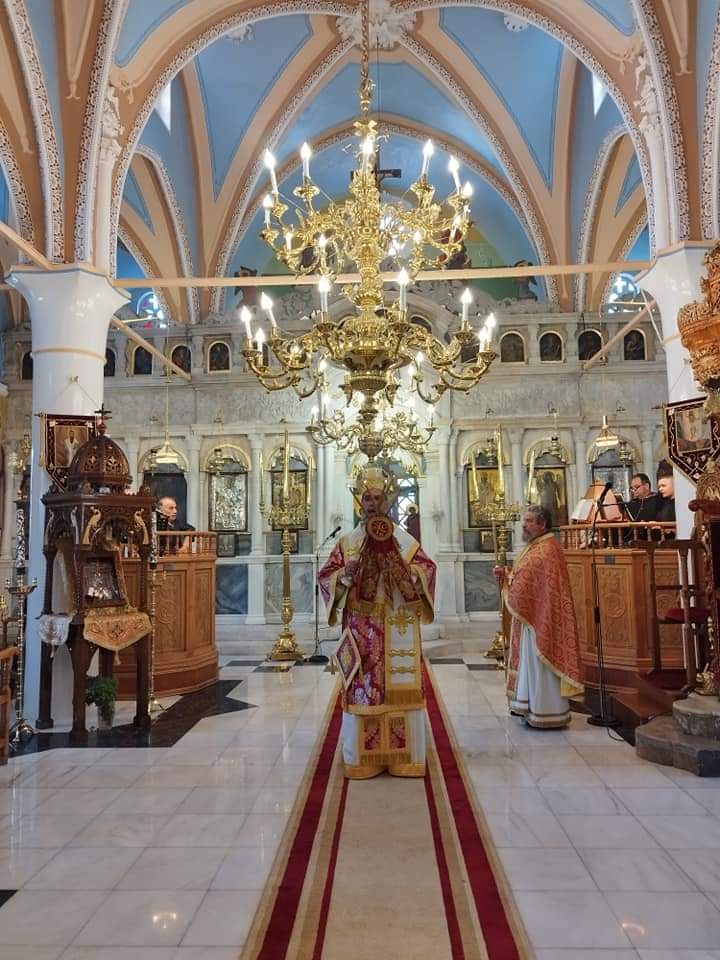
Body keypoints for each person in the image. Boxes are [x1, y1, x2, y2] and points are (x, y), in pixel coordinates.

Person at [318, 466, 436, 779]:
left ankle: (403, 757)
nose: (372, 504)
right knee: (363, 688)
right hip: (362, 632)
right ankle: (363, 759)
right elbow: (326, 577)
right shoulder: (349, 542)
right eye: (367, 498)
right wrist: (345, 575)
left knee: (400, 690)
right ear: (360, 502)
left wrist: (410, 574)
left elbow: (428, 568)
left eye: (378, 498)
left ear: (387, 500)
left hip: (398, 625)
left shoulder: (404, 541)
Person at [494, 504, 583, 728]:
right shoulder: (538, 546)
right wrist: (507, 575)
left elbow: (526, 582)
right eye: (524, 521)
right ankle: (530, 706)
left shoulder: (546, 549)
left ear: (542, 524)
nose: (524, 525)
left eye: (529, 521)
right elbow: (524, 577)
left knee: (540, 666)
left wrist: (510, 581)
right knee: (531, 664)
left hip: (541, 620)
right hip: (534, 618)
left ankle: (546, 711)